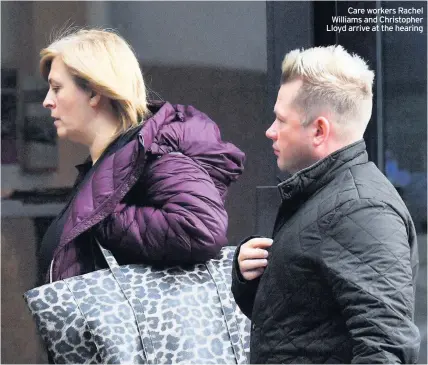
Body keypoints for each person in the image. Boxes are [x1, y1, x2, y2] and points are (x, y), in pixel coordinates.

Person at [231, 45, 420, 364]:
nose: (270, 131)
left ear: (319, 130)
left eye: (280, 120)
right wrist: (249, 278)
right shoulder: (323, 196)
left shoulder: (363, 210)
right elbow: (298, 330)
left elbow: (387, 349)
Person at [37, 28, 245, 283]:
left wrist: (102, 215)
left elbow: (200, 228)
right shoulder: (109, 166)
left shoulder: (153, 154)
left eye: (57, 88)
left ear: (93, 92)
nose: (47, 101)